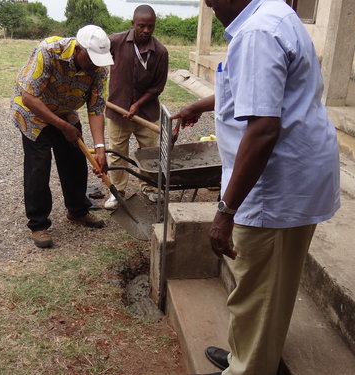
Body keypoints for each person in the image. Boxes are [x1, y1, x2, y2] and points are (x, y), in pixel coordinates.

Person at [172, 1, 340, 374]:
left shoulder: (257, 32)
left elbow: (263, 129)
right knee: (269, 288)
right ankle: (249, 354)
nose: (210, 4)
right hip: (292, 177)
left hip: (275, 186)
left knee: (256, 291)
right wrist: (201, 104)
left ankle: (249, 368)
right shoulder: (274, 15)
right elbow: (255, 88)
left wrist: (225, 210)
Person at [10, 25, 114, 249]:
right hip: (33, 113)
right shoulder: (48, 51)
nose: (96, 64)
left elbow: (96, 108)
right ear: (79, 49)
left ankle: (77, 211)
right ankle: (38, 223)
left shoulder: (99, 68)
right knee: (39, 167)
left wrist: (100, 148)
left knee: (75, 163)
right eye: (92, 59)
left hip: (65, 111)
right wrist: (62, 126)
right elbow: (29, 97)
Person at [103, 4, 169, 209]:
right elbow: (94, 57)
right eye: (142, 26)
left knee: (150, 153)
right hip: (117, 111)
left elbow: (157, 87)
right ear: (133, 24)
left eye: (151, 26)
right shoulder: (115, 42)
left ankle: (149, 188)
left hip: (147, 114)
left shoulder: (160, 52)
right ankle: (117, 191)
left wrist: (137, 104)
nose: (146, 30)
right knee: (116, 153)